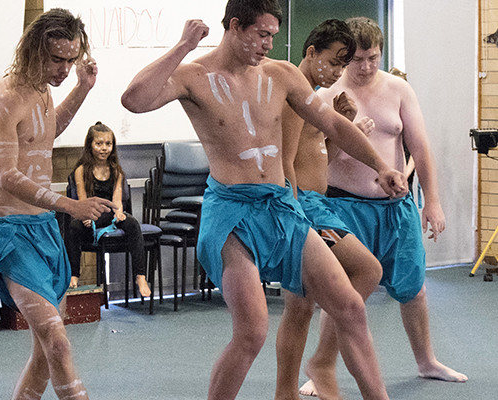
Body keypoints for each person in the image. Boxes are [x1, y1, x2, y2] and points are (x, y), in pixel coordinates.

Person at [122, 1, 408, 398]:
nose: (269, 44)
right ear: (235, 26)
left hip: (281, 207)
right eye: (261, 34)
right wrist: (184, 46)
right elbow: (134, 100)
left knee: (351, 307)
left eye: (273, 35)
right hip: (232, 214)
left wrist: (381, 165)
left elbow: (333, 124)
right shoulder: (193, 76)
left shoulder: (282, 74)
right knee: (252, 332)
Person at [317, 16, 467, 385]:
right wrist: (347, 134)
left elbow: (420, 147)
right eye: (357, 60)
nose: (366, 67)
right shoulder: (326, 95)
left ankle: (427, 361)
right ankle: (323, 368)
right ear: (345, 57)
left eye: (373, 58)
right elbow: (314, 160)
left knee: (413, 288)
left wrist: (432, 201)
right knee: (342, 289)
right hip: (343, 207)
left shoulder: (399, 89)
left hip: (395, 208)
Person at [0, 9, 114, 399]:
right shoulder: (5, 98)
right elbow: (6, 175)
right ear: (33, 50)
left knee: (44, 352)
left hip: (44, 231)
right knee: (56, 341)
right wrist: (69, 206)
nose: (64, 69)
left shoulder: (42, 88)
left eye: (71, 60)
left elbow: (46, 132)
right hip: (12, 234)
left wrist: (83, 88)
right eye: (57, 59)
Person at [270, 19, 386, 400]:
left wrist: (344, 123)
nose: (338, 72)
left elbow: (322, 158)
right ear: (311, 52)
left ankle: (289, 389)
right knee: (367, 269)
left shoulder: (314, 98)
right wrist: (294, 215)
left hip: (317, 202)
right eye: (335, 62)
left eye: (343, 65)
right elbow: (286, 164)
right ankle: (321, 362)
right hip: (304, 207)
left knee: (300, 307)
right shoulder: (294, 95)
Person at [65, 121, 151, 297]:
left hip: (108, 215)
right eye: (99, 143)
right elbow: (82, 199)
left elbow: (117, 199)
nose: (104, 148)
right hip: (91, 214)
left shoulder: (116, 170)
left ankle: (140, 276)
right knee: (73, 227)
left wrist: (118, 212)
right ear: (90, 145)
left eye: (108, 144)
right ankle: (74, 274)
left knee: (133, 224)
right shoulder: (81, 170)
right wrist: (85, 216)